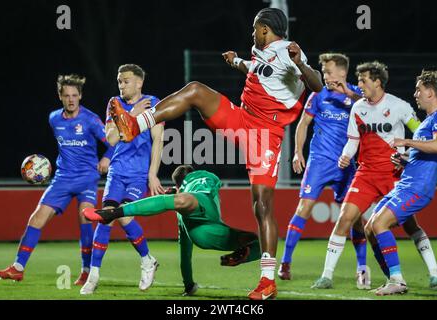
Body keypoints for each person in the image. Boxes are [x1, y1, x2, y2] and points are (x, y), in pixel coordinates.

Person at [115, 8, 323, 300]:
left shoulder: (290, 54)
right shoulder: (259, 50)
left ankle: (267, 280)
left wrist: (300, 61)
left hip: (264, 135)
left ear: (265, 29)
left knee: (261, 205)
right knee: (196, 90)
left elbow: (317, 85)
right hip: (241, 119)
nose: (252, 32)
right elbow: (255, 69)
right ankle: (135, 125)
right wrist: (236, 61)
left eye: (255, 28)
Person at [312, 61, 436, 289]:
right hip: (366, 174)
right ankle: (327, 275)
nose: (359, 85)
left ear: (377, 82)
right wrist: (345, 156)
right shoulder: (358, 108)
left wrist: (406, 154)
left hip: (394, 174)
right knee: (345, 218)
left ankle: (434, 273)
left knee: (409, 226)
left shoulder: (399, 106)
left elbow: (420, 133)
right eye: (358, 81)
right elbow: (353, 141)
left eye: (363, 80)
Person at [0, 74, 113, 284]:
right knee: (36, 218)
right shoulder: (54, 118)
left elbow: (113, 142)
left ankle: (86, 271)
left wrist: (106, 157)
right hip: (62, 179)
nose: (71, 99)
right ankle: (17, 268)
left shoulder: (91, 120)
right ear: (60, 96)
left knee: (85, 221)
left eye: (75, 95)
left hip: (86, 178)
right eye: (66, 95)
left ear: (80, 95)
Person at [83, 165, 262, 296]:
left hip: (202, 232)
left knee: (179, 201)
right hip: (212, 223)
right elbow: (211, 182)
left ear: (178, 185)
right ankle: (242, 255)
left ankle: (113, 213)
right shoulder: (202, 177)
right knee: (259, 242)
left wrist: (189, 284)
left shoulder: (181, 208)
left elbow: (185, 254)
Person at [278, 53, 372, 289]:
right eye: (323, 72)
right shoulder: (318, 95)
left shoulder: (356, 95)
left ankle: (361, 268)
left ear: (342, 72)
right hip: (319, 162)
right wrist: (298, 152)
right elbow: (303, 124)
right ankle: (286, 262)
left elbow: (374, 104)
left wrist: (348, 94)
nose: (325, 76)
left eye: (328, 72)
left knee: (354, 218)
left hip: (346, 165)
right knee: (304, 207)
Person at [80, 64, 165, 295]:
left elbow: (158, 140)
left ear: (139, 82)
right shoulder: (114, 104)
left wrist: (152, 174)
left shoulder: (152, 102)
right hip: (117, 172)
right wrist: (131, 115)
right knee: (106, 219)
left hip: (137, 174)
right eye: (119, 81)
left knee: (123, 217)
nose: (121, 85)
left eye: (126, 81)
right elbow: (111, 138)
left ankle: (147, 261)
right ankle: (94, 275)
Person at [367, 70, 437, 295]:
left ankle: (397, 280)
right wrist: (405, 159)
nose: (415, 93)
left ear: (430, 92)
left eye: (419, 89)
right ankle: (393, 278)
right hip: (406, 183)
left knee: (380, 225)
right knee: (369, 228)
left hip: (417, 187)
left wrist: (407, 141)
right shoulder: (428, 121)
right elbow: (426, 152)